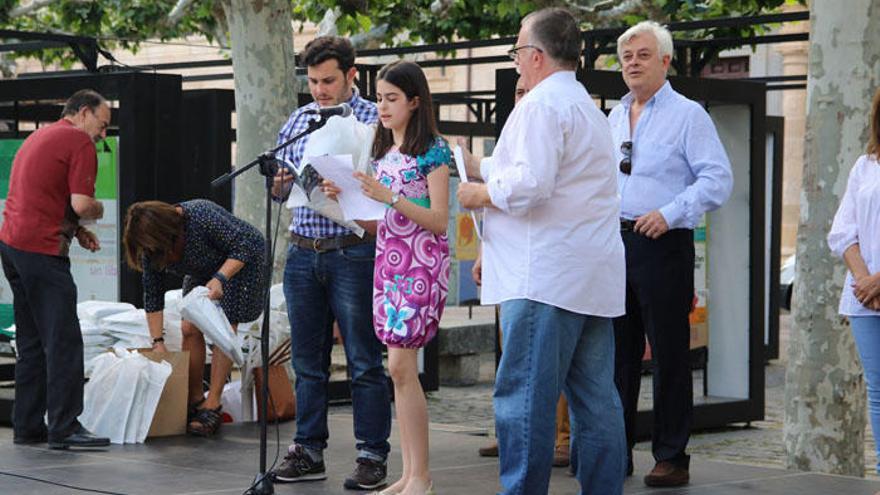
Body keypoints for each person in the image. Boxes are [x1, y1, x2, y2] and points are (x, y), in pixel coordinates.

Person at [457, 8, 627, 494]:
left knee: (524, 400)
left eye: (516, 50)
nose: (515, 60)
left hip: (543, 275)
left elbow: (531, 182)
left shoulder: (538, 106)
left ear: (534, 56)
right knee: (596, 400)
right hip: (588, 275)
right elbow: (553, 173)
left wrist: (478, 192)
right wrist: (484, 166)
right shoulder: (589, 109)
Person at [609, 21, 733, 487]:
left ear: (665, 60)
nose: (633, 63)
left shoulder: (688, 115)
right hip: (614, 245)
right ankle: (614, 451)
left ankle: (671, 456)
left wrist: (670, 211)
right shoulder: (613, 117)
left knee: (668, 354)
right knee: (616, 356)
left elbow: (717, 180)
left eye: (643, 54)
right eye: (626, 57)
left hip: (662, 244)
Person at [268, 35, 392, 491]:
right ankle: (308, 449)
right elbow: (281, 189)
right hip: (303, 251)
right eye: (314, 81)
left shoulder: (374, 118)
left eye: (328, 81)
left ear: (351, 75)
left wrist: (355, 185)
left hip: (353, 252)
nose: (320, 89)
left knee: (363, 360)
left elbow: (387, 185)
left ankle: (371, 455)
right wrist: (280, 183)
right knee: (307, 362)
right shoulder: (300, 119)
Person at [324, 60, 451, 495]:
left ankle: (422, 476)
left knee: (399, 365)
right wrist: (345, 200)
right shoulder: (383, 155)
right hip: (389, 263)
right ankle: (412, 472)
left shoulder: (433, 150)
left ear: (415, 102)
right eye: (379, 98)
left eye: (392, 98)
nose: (382, 106)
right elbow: (379, 225)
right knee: (399, 371)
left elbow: (438, 221)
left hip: (421, 266)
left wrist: (389, 196)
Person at [0, 89, 111, 449]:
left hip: (13, 246)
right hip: (41, 250)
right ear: (82, 113)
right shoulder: (79, 142)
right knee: (63, 340)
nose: (103, 134)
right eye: (103, 124)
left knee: (32, 341)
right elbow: (81, 203)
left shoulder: (40, 136)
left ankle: (28, 425)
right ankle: (65, 427)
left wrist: (75, 230)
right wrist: (97, 211)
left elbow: (44, 195)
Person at [471, 77, 571, 468]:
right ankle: (512, 435)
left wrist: (478, 191)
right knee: (512, 353)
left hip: (542, 267)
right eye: (517, 93)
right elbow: (500, 201)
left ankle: (560, 438)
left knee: (547, 360)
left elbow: (524, 192)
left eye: (528, 91)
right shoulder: (512, 136)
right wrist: (484, 254)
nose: (523, 99)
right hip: (507, 261)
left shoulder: (546, 127)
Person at [122, 199, 266, 436]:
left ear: (165, 231)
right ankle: (195, 399)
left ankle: (214, 404)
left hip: (240, 262)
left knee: (223, 326)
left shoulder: (200, 215)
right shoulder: (152, 249)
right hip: (203, 271)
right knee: (189, 326)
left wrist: (220, 278)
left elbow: (246, 243)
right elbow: (153, 294)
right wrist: (157, 342)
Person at [828, 87, 880, 473]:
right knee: (878, 395)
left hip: (871, 290)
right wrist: (865, 280)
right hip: (865, 300)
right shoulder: (865, 165)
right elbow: (842, 230)